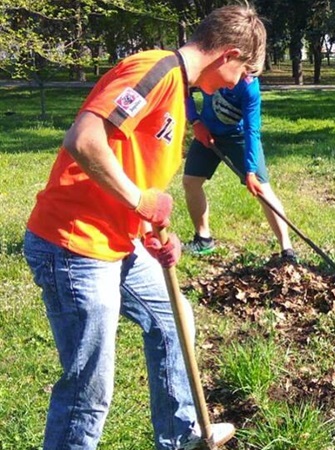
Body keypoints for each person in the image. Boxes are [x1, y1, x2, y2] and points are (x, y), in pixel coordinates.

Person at [22, 5, 266, 449]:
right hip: (74, 244)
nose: (243, 82)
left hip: (116, 240)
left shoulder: (179, 92)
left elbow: (133, 171)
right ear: (228, 54)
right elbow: (84, 139)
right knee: (88, 391)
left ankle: (180, 435)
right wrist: (140, 201)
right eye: (246, 71)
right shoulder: (154, 70)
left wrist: (155, 231)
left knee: (174, 320)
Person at [182, 76, 295, 262]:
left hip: (239, 137)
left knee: (263, 190)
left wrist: (250, 172)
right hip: (207, 131)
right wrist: (195, 121)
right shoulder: (209, 69)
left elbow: (252, 130)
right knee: (191, 181)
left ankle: (287, 250)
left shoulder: (249, 86)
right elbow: (183, 87)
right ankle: (203, 239)